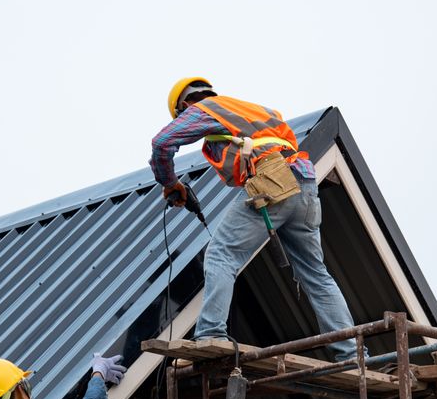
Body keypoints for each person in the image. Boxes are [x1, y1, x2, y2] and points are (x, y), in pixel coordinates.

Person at [150, 77, 362, 363]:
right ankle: (351, 355)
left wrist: (169, 182)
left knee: (221, 254)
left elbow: (162, 143)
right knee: (316, 273)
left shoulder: (206, 108)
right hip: (304, 183)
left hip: (273, 180)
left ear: (185, 105)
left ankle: (211, 334)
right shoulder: (256, 111)